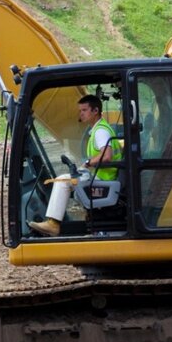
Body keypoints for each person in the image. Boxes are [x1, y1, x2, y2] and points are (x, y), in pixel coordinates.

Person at [29, 94, 121, 237]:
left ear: (95, 111)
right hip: (104, 177)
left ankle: (53, 224)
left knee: (63, 181)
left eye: (84, 110)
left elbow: (107, 156)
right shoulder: (100, 129)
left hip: (104, 179)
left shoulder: (101, 131)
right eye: (80, 111)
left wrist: (88, 163)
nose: (81, 114)